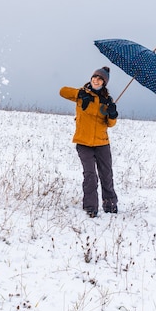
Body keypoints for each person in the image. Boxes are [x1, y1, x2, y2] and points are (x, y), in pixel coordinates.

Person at [59, 66, 119, 218]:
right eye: (94, 77)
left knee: (106, 174)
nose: (96, 80)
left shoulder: (107, 100)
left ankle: (110, 205)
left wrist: (112, 113)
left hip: (102, 143)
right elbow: (62, 91)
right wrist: (80, 93)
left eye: (100, 79)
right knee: (90, 175)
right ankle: (91, 207)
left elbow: (110, 124)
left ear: (104, 83)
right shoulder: (81, 94)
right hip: (83, 142)